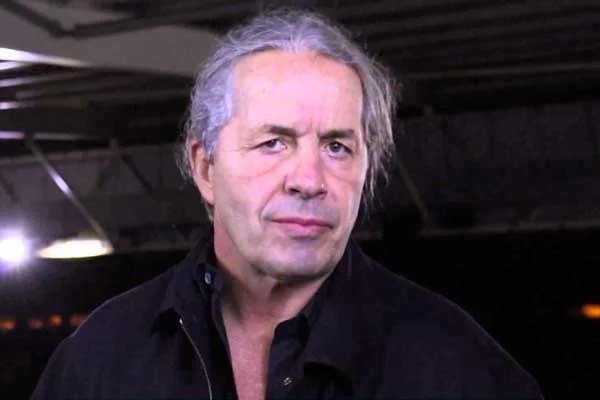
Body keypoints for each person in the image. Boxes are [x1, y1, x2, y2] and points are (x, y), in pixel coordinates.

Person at [32, 9, 543, 400]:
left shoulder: (462, 369)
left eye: (337, 147)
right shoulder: (99, 358)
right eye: (273, 142)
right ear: (205, 168)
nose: (309, 180)